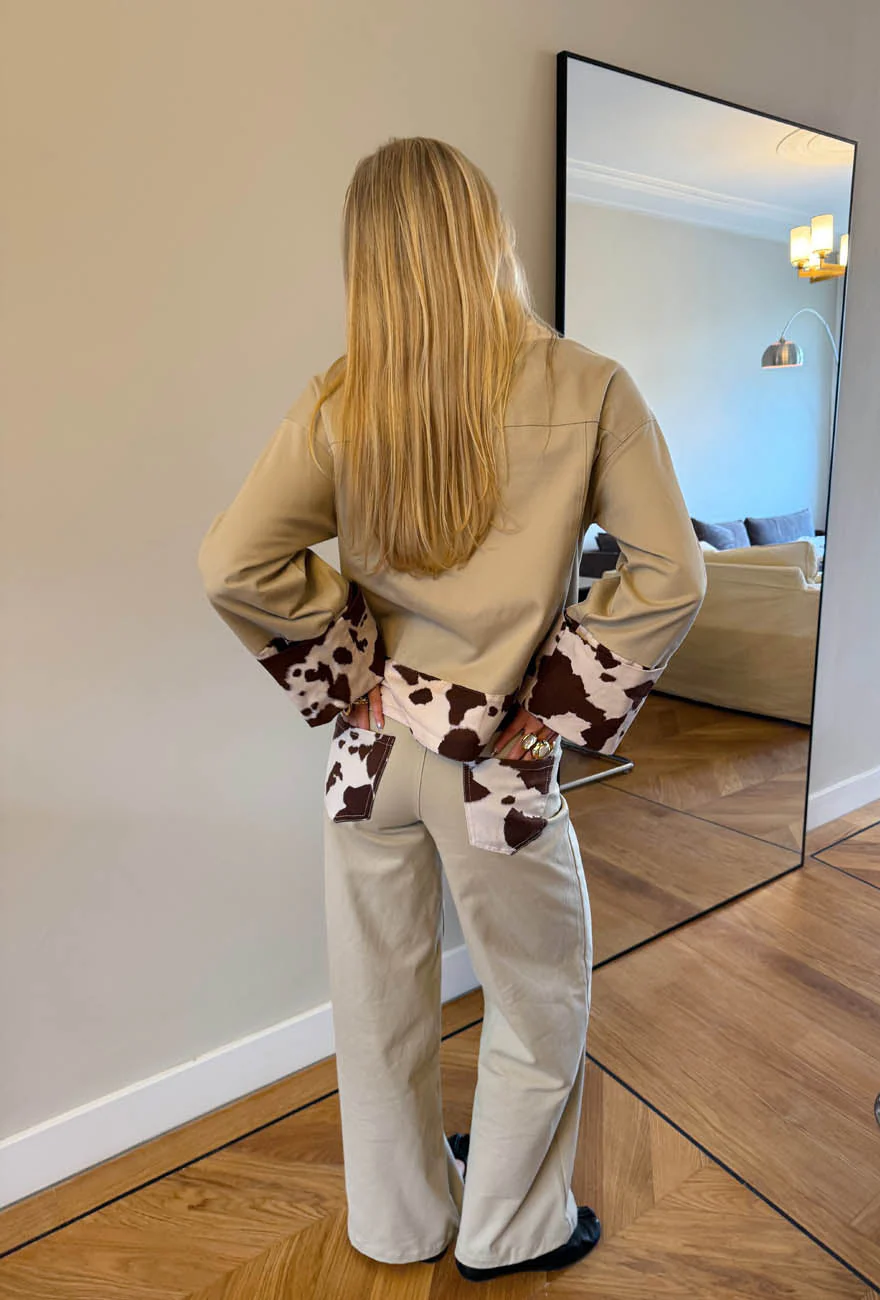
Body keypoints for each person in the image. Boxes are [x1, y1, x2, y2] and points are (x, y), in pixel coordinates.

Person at [198, 136, 705, 1282]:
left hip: (369, 760)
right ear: (490, 234)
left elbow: (234, 563)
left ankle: (399, 1221)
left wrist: (353, 670)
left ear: (368, 260)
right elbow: (671, 576)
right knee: (537, 993)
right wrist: (556, 709)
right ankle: (511, 1228)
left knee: (377, 1002)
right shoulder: (588, 386)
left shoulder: (342, 399)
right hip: (494, 765)